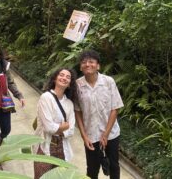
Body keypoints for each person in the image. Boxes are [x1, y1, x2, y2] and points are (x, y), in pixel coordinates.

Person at [75, 50, 124, 179]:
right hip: (90, 135)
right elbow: (77, 111)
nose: (87, 64)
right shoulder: (77, 85)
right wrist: (84, 135)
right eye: (84, 62)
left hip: (111, 133)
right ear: (80, 67)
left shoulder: (108, 82)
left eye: (91, 61)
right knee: (92, 169)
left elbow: (115, 107)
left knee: (114, 165)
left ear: (98, 65)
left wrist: (106, 134)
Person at [33, 68, 77, 179]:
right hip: (45, 146)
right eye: (61, 75)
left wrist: (61, 129)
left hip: (62, 146)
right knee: (41, 176)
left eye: (68, 77)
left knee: (60, 176)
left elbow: (71, 130)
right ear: (55, 79)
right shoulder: (46, 98)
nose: (64, 78)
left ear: (70, 84)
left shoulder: (69, 103)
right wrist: (64, 127)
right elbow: (48, 127)